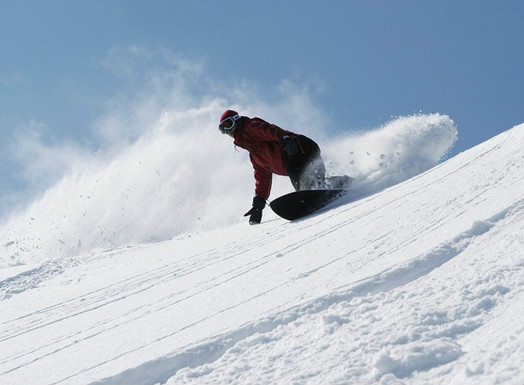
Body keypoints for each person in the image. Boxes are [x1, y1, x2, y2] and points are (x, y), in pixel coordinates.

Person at [218, 109, 327, 224]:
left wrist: (284, 138)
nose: (227, 130)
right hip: (296, 153)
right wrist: (258, 203)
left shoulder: (250, 127)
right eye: (222, 129)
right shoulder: (255, 156)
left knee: (303, 183)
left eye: (228, 125)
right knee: (315, 184)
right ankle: (333, 186)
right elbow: (262, 178)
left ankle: (310, 198)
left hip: (297, 147)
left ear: (236, 120)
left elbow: (267, 129)